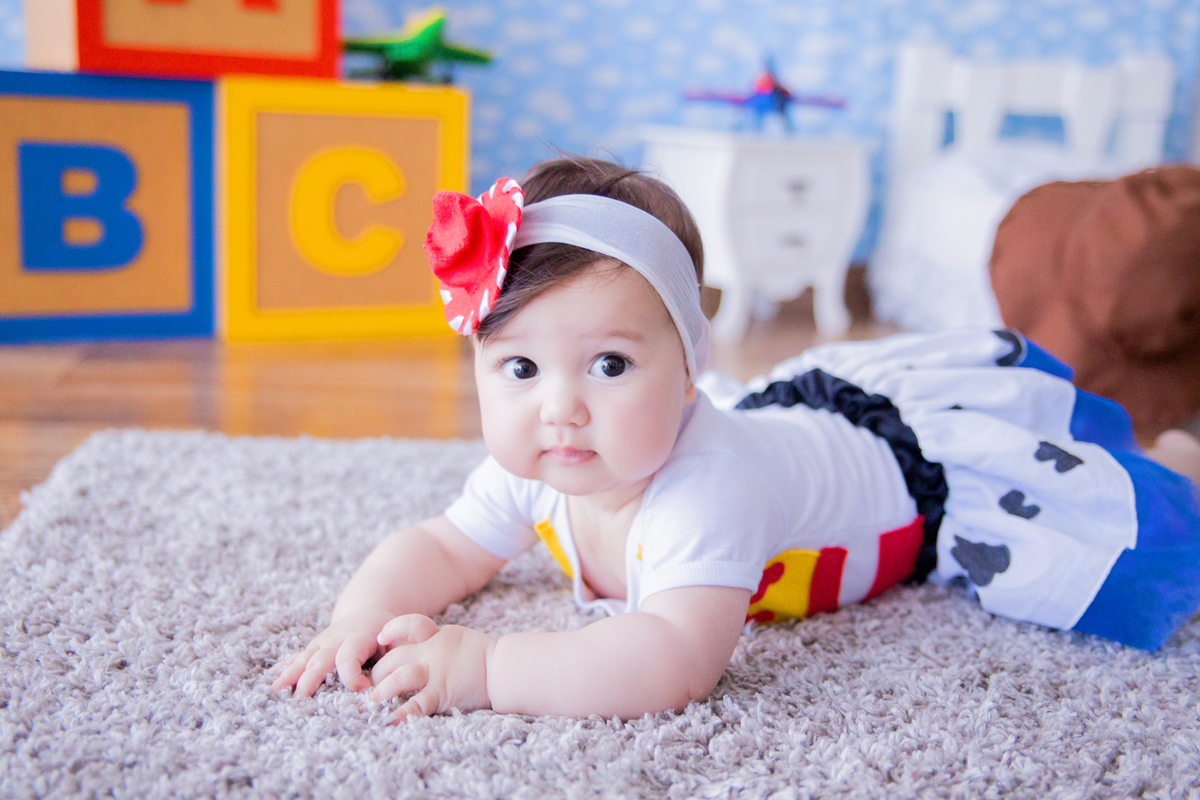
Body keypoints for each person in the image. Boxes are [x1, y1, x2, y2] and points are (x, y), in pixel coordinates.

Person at [271, 157, 1200, 722]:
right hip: (796, 422)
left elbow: (673, 660)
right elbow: (443, 545)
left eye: (609, 364)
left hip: (901, 470)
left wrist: (486, 667)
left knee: (1112, 494)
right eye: (519, 368)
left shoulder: (706, 485)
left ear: (688, 373)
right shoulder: (548, 459)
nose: (561, 408)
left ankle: (1181, 451)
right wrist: (359, 617)